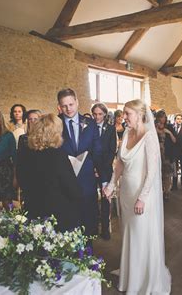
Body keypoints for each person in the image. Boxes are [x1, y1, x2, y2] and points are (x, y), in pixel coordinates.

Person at [104, 99, 171, 294]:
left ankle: (144, 280)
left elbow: (152, 172)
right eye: (124, 113)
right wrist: (110, 185)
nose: (124, 117)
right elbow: (120, 164)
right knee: (128, 234)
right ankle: (130, 274)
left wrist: (142, 197)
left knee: (141, 235)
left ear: (140, 115)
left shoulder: (149, 137)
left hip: (143, 195)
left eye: (128, 114)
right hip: (125, 192)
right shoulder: (126, 133)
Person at [21, 114, 82, 232]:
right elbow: (71, 188)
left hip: (33, 208)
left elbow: (22, 179)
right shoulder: (58, 155)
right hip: (56, 212)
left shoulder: (26, 153)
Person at [58, 88, 103, 237]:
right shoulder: (55, 124)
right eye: (64, 105)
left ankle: (88, 255)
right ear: (59, 106)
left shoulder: (90, 123)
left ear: (77, 102)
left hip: (86, 179)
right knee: (68, 222)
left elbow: (97, 151)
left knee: (88, 220)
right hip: (64, 181)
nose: (68, 109)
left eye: (71, 104)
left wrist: (102, 176)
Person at [91, 103, 117, 240]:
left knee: (106, 198)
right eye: (95, 114)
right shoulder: (89, 128)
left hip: (105, 170)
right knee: (92, 199)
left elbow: (112, 150)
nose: (97, 117)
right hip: (91, 169)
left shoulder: (111, 129)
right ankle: (93, 227)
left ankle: (105, 229)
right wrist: (93, 168)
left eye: (100, 114)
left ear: (105, 115)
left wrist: (100, 169)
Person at [16, 109, 41, 205]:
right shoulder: (23, 138)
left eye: (35, 119)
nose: (33, 121)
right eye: (30, 119)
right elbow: (20, 159)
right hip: (27, 175)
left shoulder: (45, 137)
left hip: (42, 175)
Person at [155, 110, 176, 199]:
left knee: (167, 174)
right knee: (158, 174)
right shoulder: (153, 127)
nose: (162, 119)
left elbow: (174, 140)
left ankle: (166, 191)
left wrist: (169, 132)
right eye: (161, 117)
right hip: (156, 154)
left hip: (166, 153)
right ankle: (160, 191)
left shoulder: (169, 127)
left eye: (164, 117)